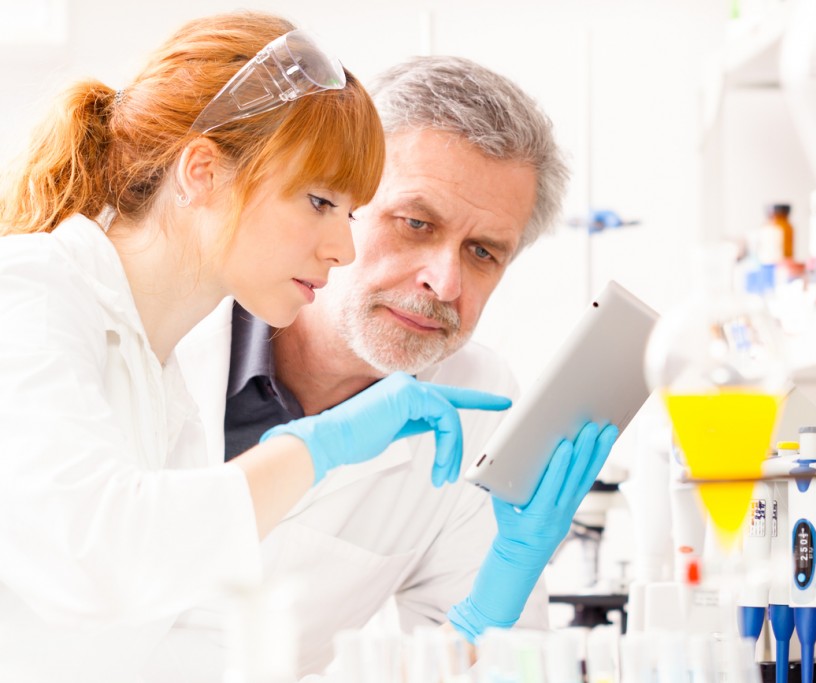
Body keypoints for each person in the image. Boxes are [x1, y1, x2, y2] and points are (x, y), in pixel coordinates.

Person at [0, 13, 511, 683]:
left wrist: (478, 622)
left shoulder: (169, 393)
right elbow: (95, 555)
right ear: (203, 171)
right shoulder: (29, 294)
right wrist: (313, 448)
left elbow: (197, 656)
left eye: (350, 213)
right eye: (321, 201)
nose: (343, 247)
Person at [161, 56, 620, 680]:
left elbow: (480, 665)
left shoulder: (477, 402)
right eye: (415, 223)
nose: (445, 280)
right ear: (339, 200)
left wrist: (500, 596)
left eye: (483, 252)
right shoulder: (165, 335)